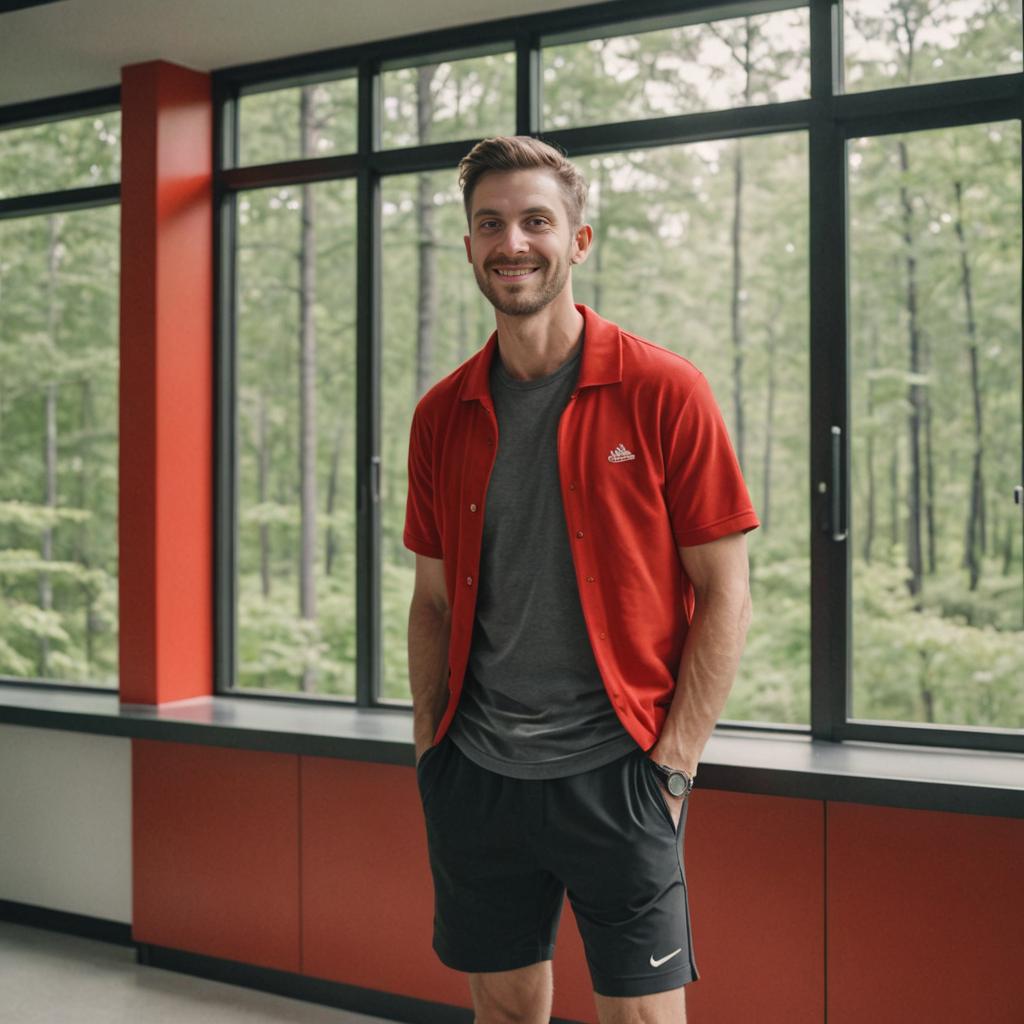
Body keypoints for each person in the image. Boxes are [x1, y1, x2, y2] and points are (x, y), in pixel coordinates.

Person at [404, 135, 759, 1024]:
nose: (511, 242)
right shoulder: (441, 414)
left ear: (580, 240)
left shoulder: (664, 390)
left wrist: (672, 769)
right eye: (490, 224)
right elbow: (434, 600)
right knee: (507, 1011)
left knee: (641, 1019)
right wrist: (428, 749)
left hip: (620, 775)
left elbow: (726, 592)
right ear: (469, 245)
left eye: (535, 221)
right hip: (476, 774)